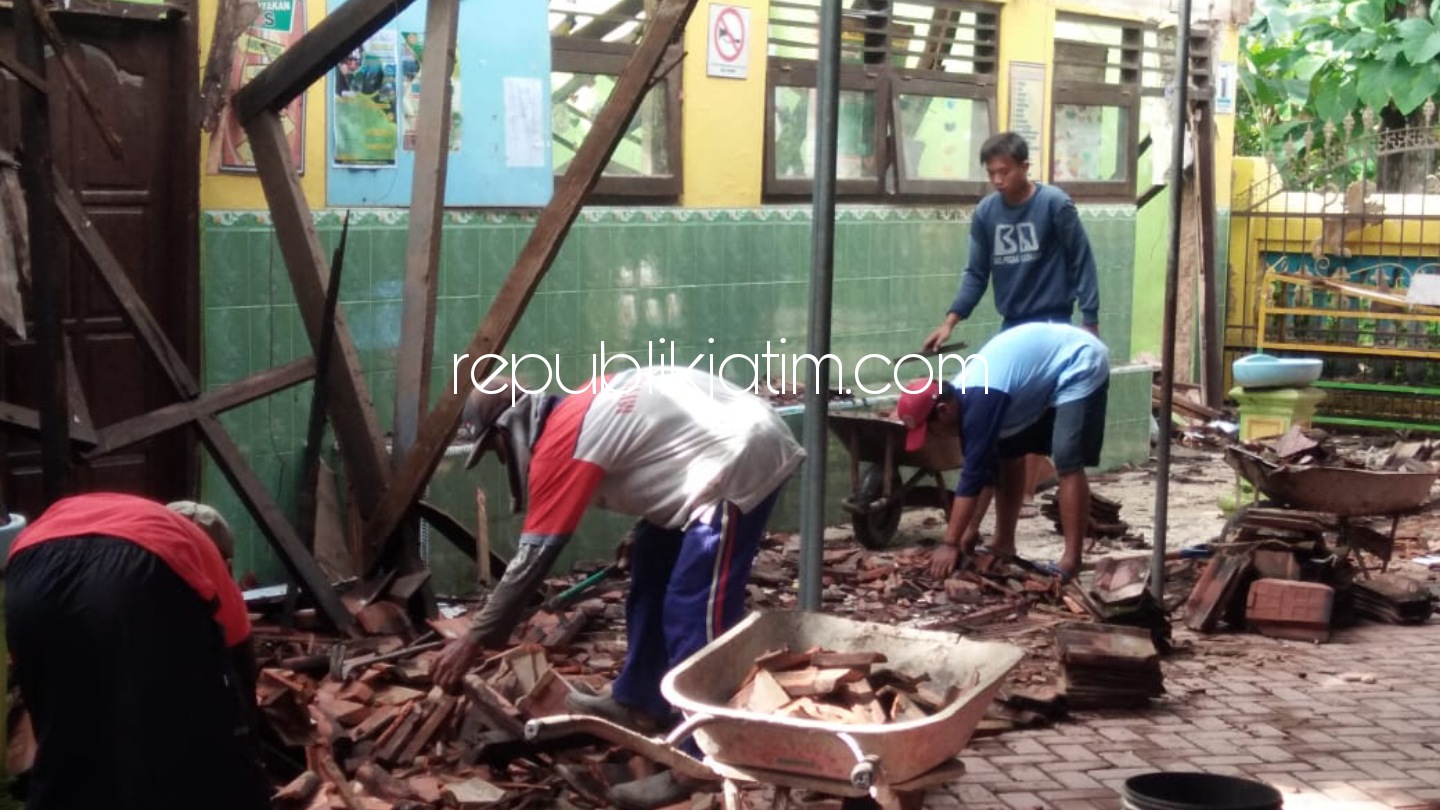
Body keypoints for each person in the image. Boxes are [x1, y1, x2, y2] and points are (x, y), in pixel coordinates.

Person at [431, 366, 805, 809]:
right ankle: (640, 701)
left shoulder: (560, 443)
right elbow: (660, 446)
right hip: (722, 449)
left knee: (695, 613)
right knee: (650, 558)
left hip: (741, 459)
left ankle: (700, 760)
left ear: (507, 427)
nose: (498, 458)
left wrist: (474, 639)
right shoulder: (574, 410)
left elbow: (532, 560)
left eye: (493, 448)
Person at [4, 494, 269, 810]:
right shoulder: (195, 550)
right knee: (159, 739)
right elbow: (239, 665)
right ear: (227, 561)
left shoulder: (145, 518)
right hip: (134, 574)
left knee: (63, 732)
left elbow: (37, 689)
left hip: (26, 567)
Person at [920, 131, 1101, 545]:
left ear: (1023, 167)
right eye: (992, 173)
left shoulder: (1054, 205)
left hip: (1054, 328)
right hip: (1012, 327)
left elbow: (1081, 261)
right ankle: (998, 535)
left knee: (1054, 437)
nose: (998, 180)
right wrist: (951, 320)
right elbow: (975, 273)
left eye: (1005, 171)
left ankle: (1030, 513)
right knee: (1006, 442)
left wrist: (1089, 319)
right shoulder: (987, 214)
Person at [899, 322, 1110, 584]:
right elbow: (984, 474)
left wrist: (950, 542)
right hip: (1039, 370)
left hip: (1078, 359)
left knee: (1067, 458)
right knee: (1008, 451)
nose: (933, 437)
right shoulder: (964, 401)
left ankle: (1071, 561)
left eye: (930, 430)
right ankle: (1004, 543)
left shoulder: (978, 404)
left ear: (943, 411)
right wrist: (970, 530)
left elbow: (970, 479)